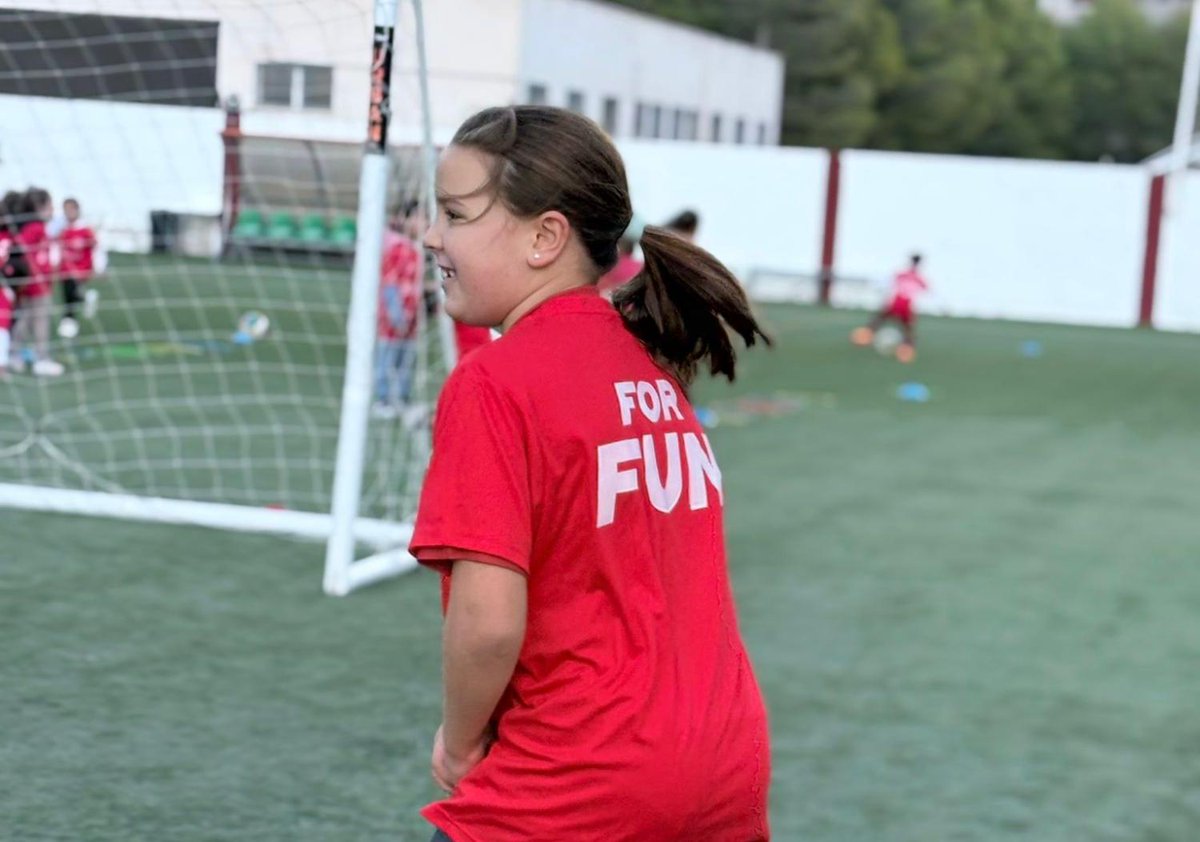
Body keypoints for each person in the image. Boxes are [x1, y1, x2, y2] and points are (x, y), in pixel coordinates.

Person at [409, 105, 772, 842]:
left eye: (455, 213)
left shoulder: (495, 383)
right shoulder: (654, 367)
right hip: (725, 756)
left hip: (585, 774)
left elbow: (486, 624)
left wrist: (461, 736)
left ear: (546, 237)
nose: (431, 235)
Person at [372, 200, 424, 420]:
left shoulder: (415, 248)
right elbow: (390, 284)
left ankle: (402, 399)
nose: (424, 222)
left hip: (411, 316)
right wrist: (396, 314)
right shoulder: (398, 248)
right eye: (420, 217)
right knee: (388, 357)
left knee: (406, 360)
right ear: (406, 219)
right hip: (395, 317)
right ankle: (382, 400)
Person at [10, 188, 63, 377]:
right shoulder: (35, 228)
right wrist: (36, 276)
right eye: (49, 206)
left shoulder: (37, 228)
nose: (52, 210)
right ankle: (41, 359)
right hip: (35, 286)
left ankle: (14, 354)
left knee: (25, 319)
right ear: (39, 207)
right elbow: (24, 252)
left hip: (38, 284)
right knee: (39, 321)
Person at [851, 253, 929, 363]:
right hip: (906, 304)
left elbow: (891, 282)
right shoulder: (919, 278)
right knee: (908, 328)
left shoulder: (902, 274)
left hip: (897, 300)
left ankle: (863, 337)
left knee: (879, 319)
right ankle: (906, 351)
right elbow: (925, 289)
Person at [56, 197, 98, 339]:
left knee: (71, 294)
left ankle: (68, 323)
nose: (68, 213)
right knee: (68, 297)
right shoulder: (63, 231)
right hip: (66, 270)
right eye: (65, 210)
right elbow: (59, 250)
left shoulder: (85, 230)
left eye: (70, 209)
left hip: (81, 270)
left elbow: (96, 249)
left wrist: (97, 267)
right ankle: (84, 300)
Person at [596, 232, 642, 300]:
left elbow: (601, 284)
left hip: (612, 298)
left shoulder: (615, 264)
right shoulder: (639, 265)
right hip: (632, 301)